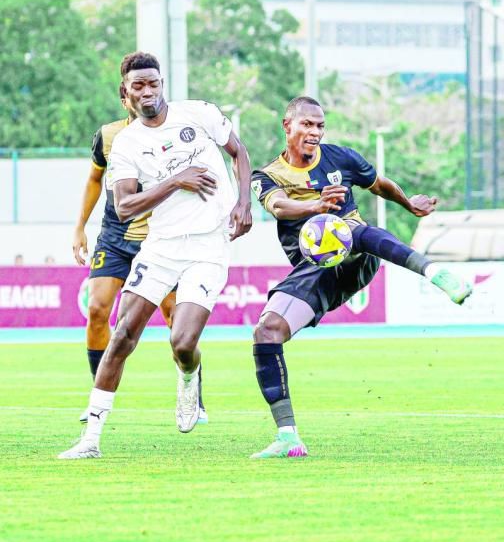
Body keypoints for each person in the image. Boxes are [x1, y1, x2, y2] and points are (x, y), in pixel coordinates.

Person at [249, 96, 473, 459]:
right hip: (313, 271)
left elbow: (379, 184)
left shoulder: (342, 158)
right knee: (266, 331)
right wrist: (314, 206)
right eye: (307, 124)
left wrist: (408, 203)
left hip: (358, 257)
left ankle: (435, 272)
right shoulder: (268, 175)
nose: (315, 132)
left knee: (346, 230)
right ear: (287, 126)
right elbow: (278, 206)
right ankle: (288, 437)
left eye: (320, 125)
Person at [58, 51, 252, 459]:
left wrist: (244, 203)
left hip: (208, 246)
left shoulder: (198, 114)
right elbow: (125, 206)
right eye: (138, 86)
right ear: (125, 92)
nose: (148, 92)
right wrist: (176, 180)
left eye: (153, 83)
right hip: (161, 246)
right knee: (122, 334)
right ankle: (91, 439)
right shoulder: (126, 144)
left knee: (182, 342)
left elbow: (239, 152)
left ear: (162, 83)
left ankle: (189, 377)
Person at [72, 86, 192, 424]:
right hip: (115, 237)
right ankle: (98, 394)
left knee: (176, 320)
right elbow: (94, 179)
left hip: (159, 237)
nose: (142, 98)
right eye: (133, 93)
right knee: (97, 309)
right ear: (124, 100)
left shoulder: (173, 135)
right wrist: (79, 227)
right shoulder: (108, 136)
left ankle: (190, 391)